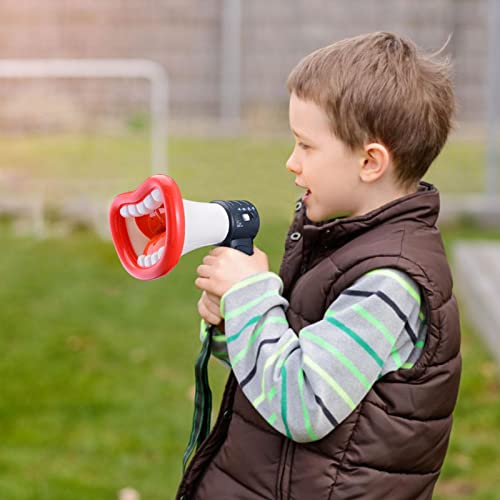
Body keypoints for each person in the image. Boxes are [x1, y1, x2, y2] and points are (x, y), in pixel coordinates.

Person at [177, 31, 461, 500]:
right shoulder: (340, 243)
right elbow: (275, 366)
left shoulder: (389, 284)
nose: (291, 162)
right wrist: (234, 323)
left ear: (370, 162)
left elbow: (302, 405)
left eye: (306, 146)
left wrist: (251, 299)